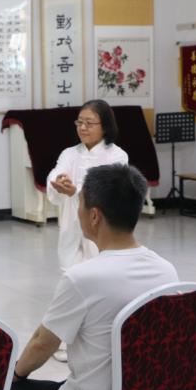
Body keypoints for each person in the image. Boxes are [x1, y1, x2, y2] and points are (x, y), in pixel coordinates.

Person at [2, 164, 179, 390]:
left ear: (94, 216)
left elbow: (42, 343)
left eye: (80, 204)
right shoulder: (166, 271)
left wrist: (15, 375)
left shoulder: (82, 278)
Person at [47, 99, 128, 272]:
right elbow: (57, 172)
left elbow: (108, 191)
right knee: (71, 272)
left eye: (89, 123)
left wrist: (75, 191)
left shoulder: (117, 156)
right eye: (79, 122)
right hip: (72, 223)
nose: (83, 128)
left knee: (100, 272)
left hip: (102, 226)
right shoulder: (69, 153)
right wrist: (58, 180)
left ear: (105, 126)